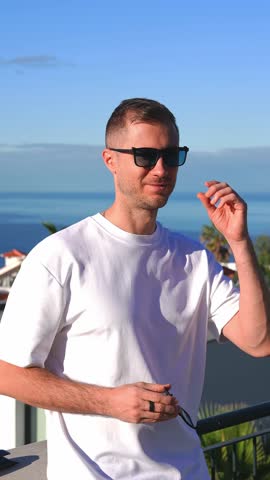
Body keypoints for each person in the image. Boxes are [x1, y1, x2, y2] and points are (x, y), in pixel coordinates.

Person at [0, 98, 269, 480]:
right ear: (110, 160)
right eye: (145, 155)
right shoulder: (61, 256)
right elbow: (6, 374)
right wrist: (109, 402)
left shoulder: (194, 258)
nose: (161, 169)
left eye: (172, 155)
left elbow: (259, 342)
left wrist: (240, 242)